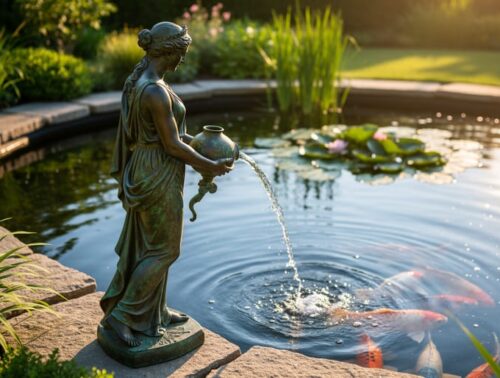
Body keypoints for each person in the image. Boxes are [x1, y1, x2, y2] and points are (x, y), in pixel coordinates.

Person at [100, 21, 233, 347]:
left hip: (149, 165)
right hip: (156, 173)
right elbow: (172, 145)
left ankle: (154, 312)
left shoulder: (141, 81)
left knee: (152, 246)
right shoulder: (155, 91)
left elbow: (166, 137)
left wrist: (203, 145)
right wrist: (209, 164)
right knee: (164, 249)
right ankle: (124, 316)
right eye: (182, 53)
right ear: (170, 51)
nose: (183, 60)